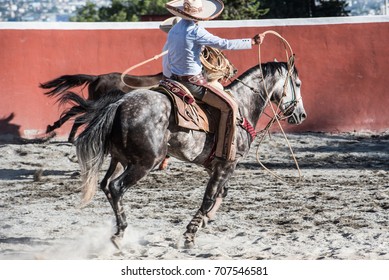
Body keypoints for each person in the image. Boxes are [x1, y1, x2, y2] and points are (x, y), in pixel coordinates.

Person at [164, 0, 264, 161]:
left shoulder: (174, 29)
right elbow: (224, 44)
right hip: (193, 83)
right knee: (230, 106)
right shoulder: (196, 31)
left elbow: (169, 58)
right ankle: (223, 152)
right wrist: (251, 41)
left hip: (173, 81)